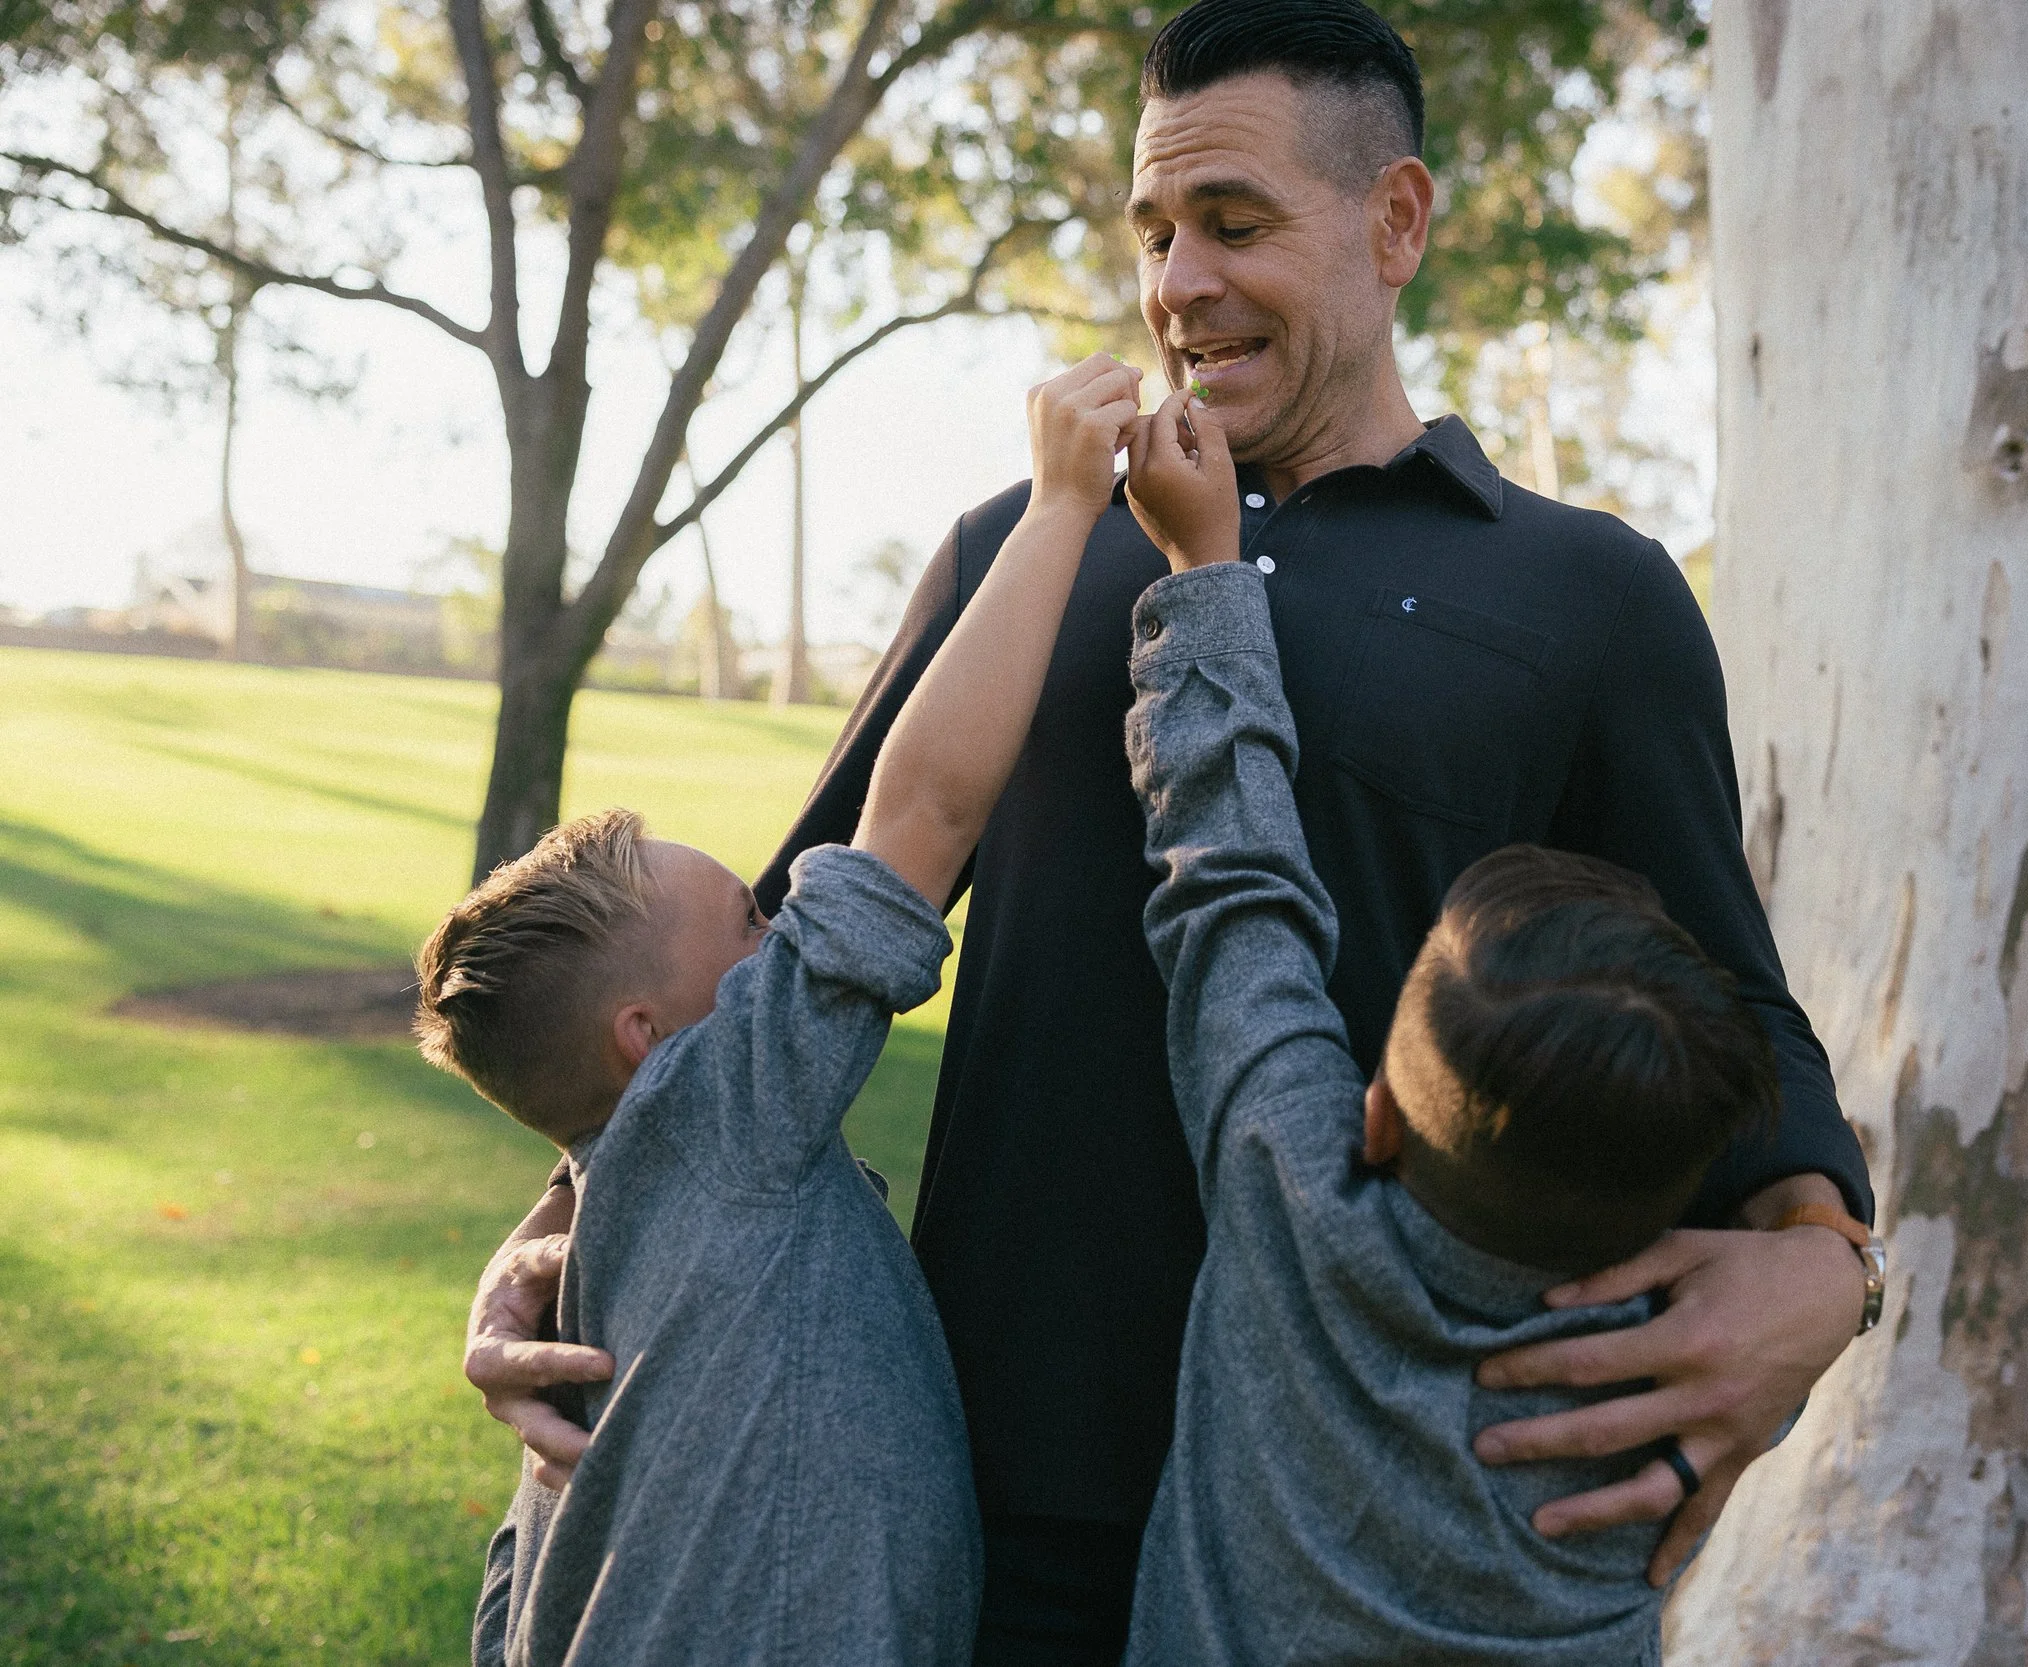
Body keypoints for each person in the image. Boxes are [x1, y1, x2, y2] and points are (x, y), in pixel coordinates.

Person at [465, 2, 1882, 1659]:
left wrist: (1828, 1261)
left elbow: (1738, 1011)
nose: (1178, 284)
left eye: (1235, 224)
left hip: (1367, 1508)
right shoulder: (1022, 548)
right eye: (1153, 231)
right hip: (996, 1484)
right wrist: (560, 1234)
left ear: (1397, 221)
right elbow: (768, 975)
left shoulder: (1590, 596)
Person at [419, 352, 1154, 1665]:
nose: (783, 926)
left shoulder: (614, 1217)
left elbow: (529, 1577)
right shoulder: (723, 1110)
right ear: (655, 1039)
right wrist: (1056, 508)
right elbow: (919, 811)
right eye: (755, 925)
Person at [1114, 392, 1791, 1662]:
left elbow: (1233, 879)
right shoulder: (1673, 1383)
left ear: (1373, 1110)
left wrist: (1204, 575)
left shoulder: (1290, 1199)